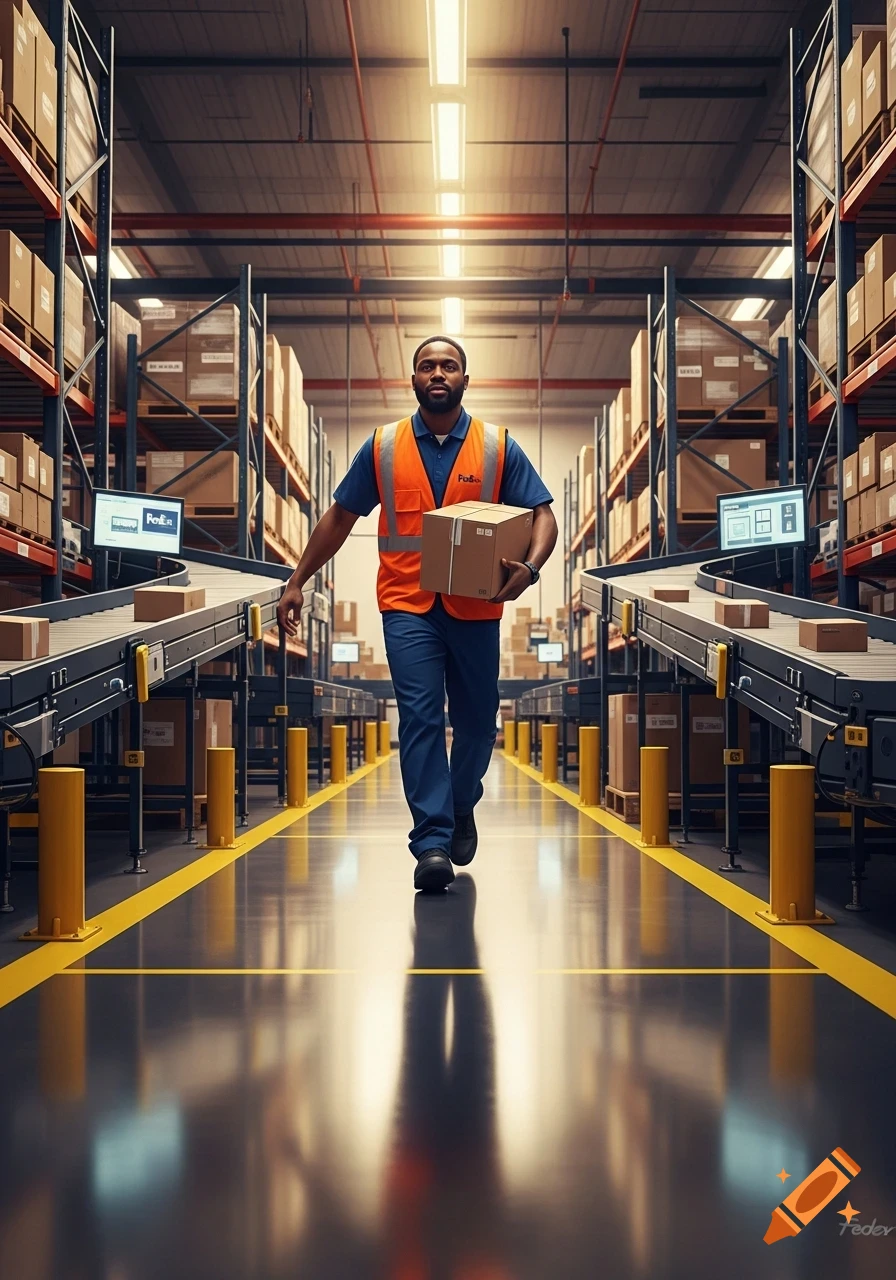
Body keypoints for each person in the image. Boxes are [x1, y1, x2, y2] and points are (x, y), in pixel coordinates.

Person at [277, 336, 557, 892]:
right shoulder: (382, 447)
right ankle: (431, 841)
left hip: (477, 606)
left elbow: (542, 515)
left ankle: (460, 801)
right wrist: (297, 579)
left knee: (478, 721)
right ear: (412, 380)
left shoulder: (498, 446)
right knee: (422, 717)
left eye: (448, 366)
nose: (438, 373)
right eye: (427, 365)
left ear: (465, 380)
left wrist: (530, 569)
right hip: (407, 605)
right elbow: (339, 518)